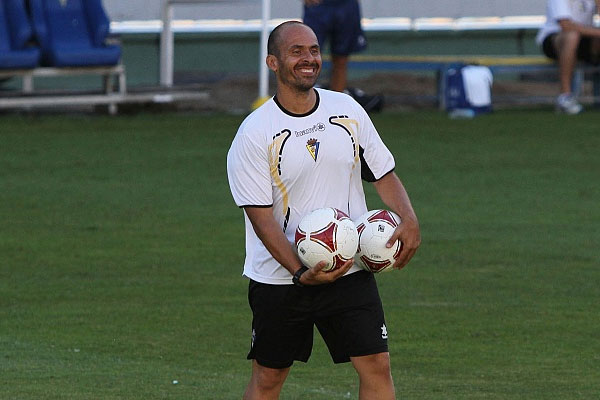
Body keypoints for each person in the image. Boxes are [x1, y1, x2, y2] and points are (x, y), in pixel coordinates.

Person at [227, 21, 420, 399]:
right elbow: (261, 218)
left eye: (314, 50)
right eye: (296, 51)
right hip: (281, 279)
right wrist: (300, 272)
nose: (309, 58)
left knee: (377, 365)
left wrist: (409, 218)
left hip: (348, 265)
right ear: (273, 62)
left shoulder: (346, 109)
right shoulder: (254, 133)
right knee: (268, 379)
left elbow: (382, 173)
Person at [303, 0, 384, 112]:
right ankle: (302, 107)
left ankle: (336, 110)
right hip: (318, 7)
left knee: (341, 59)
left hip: (346, 5)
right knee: (307, 57)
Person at [536, 0, 600, 114]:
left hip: (584, 38)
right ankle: (565, 96)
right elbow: (566, 25)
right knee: (572, 36)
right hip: (555, 39)